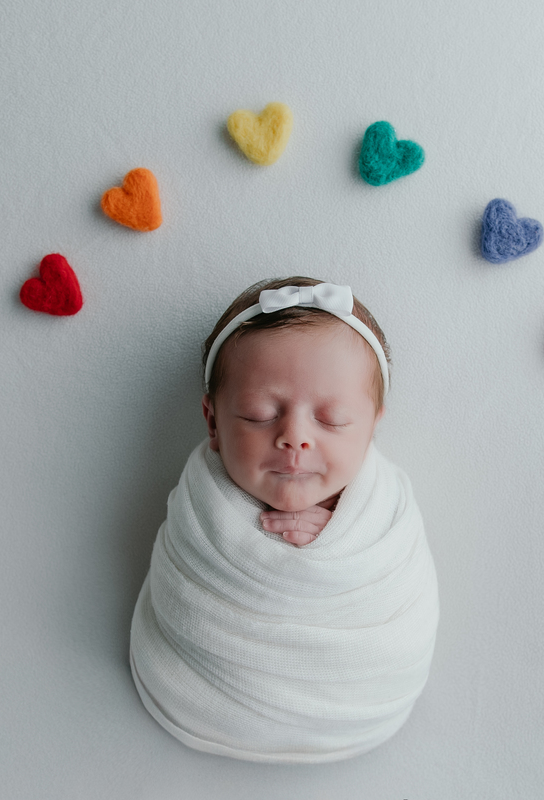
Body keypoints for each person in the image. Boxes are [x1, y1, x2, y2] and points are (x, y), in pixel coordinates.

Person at [128, 277, 439, 763]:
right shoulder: (199, 504)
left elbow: (398, 606)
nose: (295, 437)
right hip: (197, 693)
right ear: (212, 422)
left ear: (374, 424)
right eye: (258, 413)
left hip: (364, 705)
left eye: (332, 419)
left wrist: (340, 537)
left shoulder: (386, 515)